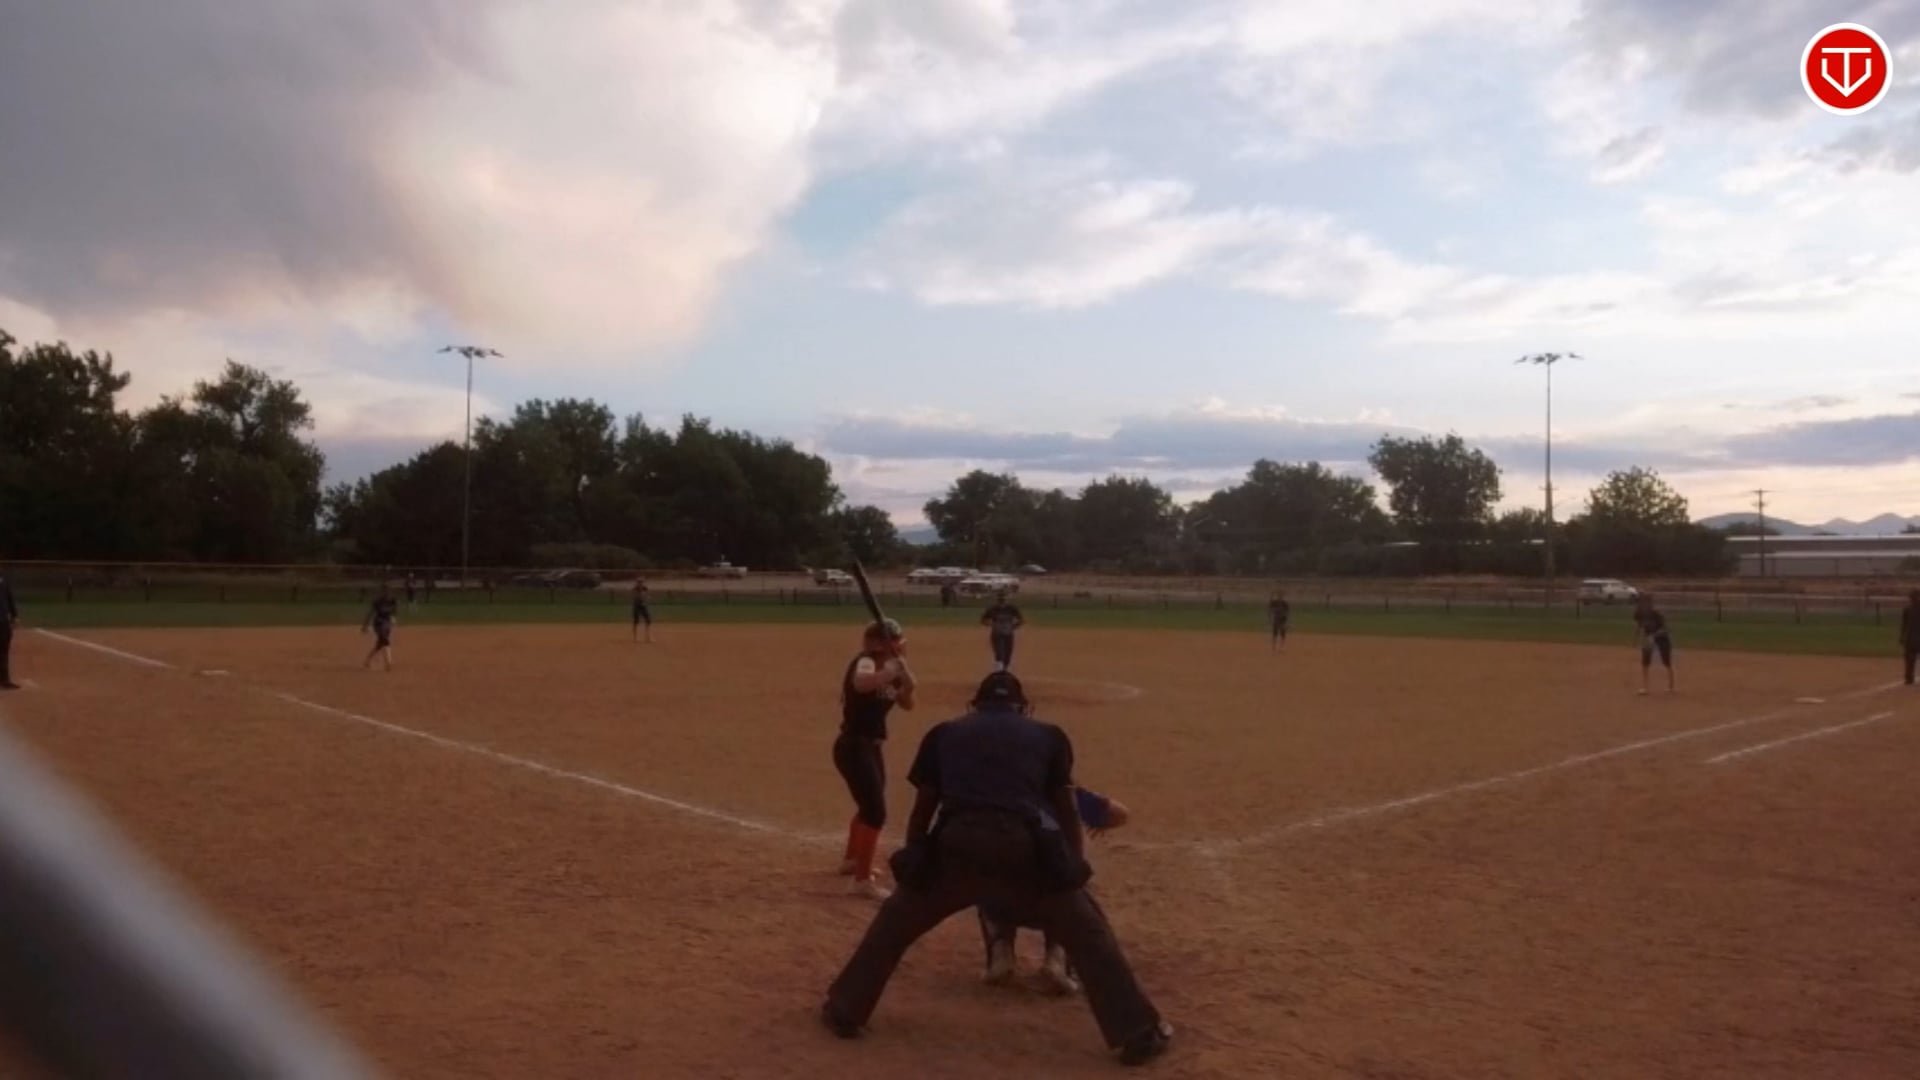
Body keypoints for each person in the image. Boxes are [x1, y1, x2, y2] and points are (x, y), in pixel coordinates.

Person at [820, 671, 1173, 1067]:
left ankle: (844, 1009)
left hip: (957, 844)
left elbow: (924, 808)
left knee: (895, 921)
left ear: (975, 705)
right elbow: (1066, 809)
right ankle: (1138, 1032)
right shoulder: (1050, 736)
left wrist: (917, 857)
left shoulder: (944, 733)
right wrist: (1071, 867)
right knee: (1087, 929)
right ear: (1022, 707)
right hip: (1022, 847)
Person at [978, 785, 1131, 993]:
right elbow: (1120, 814)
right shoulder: (1062, 793)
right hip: (1053, 901)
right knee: (1064, 877)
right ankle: (1056, 958)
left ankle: (1001, 951)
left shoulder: (996, 792)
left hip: (1003, 904)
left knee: (990, 869)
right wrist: (1096, 811)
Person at [836, 618, 916, 900]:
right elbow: (861, 684)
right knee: (875, 812)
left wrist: (908, 686)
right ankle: (861, 881)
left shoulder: (889, 668)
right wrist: (890, 671)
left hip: (870, 747)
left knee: (869, 804)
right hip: (854, 746)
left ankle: (852, 860)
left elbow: (907, 704)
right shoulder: (866, 662)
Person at [1633, 593, 1674, 695]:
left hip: (1662, 638)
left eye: (1645, 602)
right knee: (1645, 661)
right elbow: (1639, 625)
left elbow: (1666, 629)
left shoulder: (1656, 614)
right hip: (1649, 637)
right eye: (1641, 602)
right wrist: (1636, 638)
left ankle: (1671, 685)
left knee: (1666, 661)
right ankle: (1645, 687)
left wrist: (1654, 636)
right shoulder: (1638, 613)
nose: (1643, 604)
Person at [980, 590, 1025, 672]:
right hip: (997, 634)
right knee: (999, 652)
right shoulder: (993, 609)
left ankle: (1005, 669)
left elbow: (1021, 620)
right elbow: (983, 620)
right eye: (1000, 598)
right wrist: (991, 625)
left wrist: (1013, 627)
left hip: (1008, 633)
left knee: (1008, 653)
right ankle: (999, 669)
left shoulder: (1011, 608)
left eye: (1003, 598)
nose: (1002, 600)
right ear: (998, 599)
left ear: (1006, 599)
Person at [361, 584, 399, 671]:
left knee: (380, 644)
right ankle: (388, 662)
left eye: (388, 592)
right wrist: (365, 625)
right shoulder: (377, 601)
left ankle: (367, 660)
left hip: (387, 623)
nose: (386, 594)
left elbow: (394, 611)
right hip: (378, 623)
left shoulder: (393, 601)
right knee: (385, 640)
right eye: (384, 592)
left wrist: (393, 617)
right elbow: (370, 613)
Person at [0, 568, 18, 691]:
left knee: (4, 651)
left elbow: (9, 598)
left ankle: (4, 680)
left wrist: (14, 615)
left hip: (3, 621)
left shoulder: (3, 580)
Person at [1901, 588, 1920, 687]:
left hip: (1911, 638)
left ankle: (1909, 678)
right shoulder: (1907, 609)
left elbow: (1904, 625)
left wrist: (1902, 637)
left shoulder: (1907, 609)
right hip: (1911, 638)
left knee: (1909, 660)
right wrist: (1902, 636)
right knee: (1909, 659)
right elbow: (1904, 624)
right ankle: (1908, 678)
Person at [631, 578, 653, 643]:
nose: (640, 584)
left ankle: (648, 637)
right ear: (637, 583)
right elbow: (635, 596)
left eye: (641, 582)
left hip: (643, 606)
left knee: (648, 620)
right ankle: (635, 638)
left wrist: (647, 598)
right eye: (639, 582)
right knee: (636, 621)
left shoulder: (645, 588)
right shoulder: (635, 589)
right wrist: (642, 596)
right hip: (637, 606)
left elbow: (647, 595)